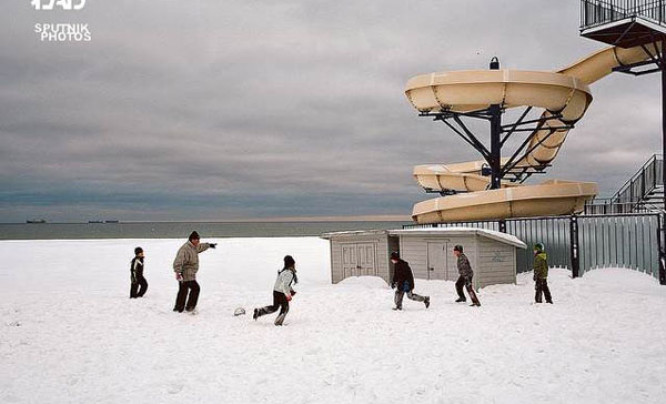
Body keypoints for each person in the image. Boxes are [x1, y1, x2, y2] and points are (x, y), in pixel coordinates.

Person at [172, 231, 217, 314]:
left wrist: (209, 245)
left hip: (189, 273)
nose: (198, 242)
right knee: (195, 288)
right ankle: (190, 307)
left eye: (199, 240)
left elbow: (200, 247)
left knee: (183, 290)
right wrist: (178, 272)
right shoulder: (185, 249)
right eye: (197, 240)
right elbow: (178, 260)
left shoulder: (193, 247)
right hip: (186, 273)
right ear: (192, 240)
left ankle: (179, 308)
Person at [253, 255, 298, 326]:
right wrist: (288, 295)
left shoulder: (283, 272)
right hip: (281, 293)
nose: (295, 266)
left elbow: (284, 284)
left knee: (275, 307)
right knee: (285, 308)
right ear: (291, 264)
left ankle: (260, 311)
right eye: (294, 264)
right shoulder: (289, 273)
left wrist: (291, 290)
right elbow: (285, 285)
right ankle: (278, 322)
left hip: (276, 291)